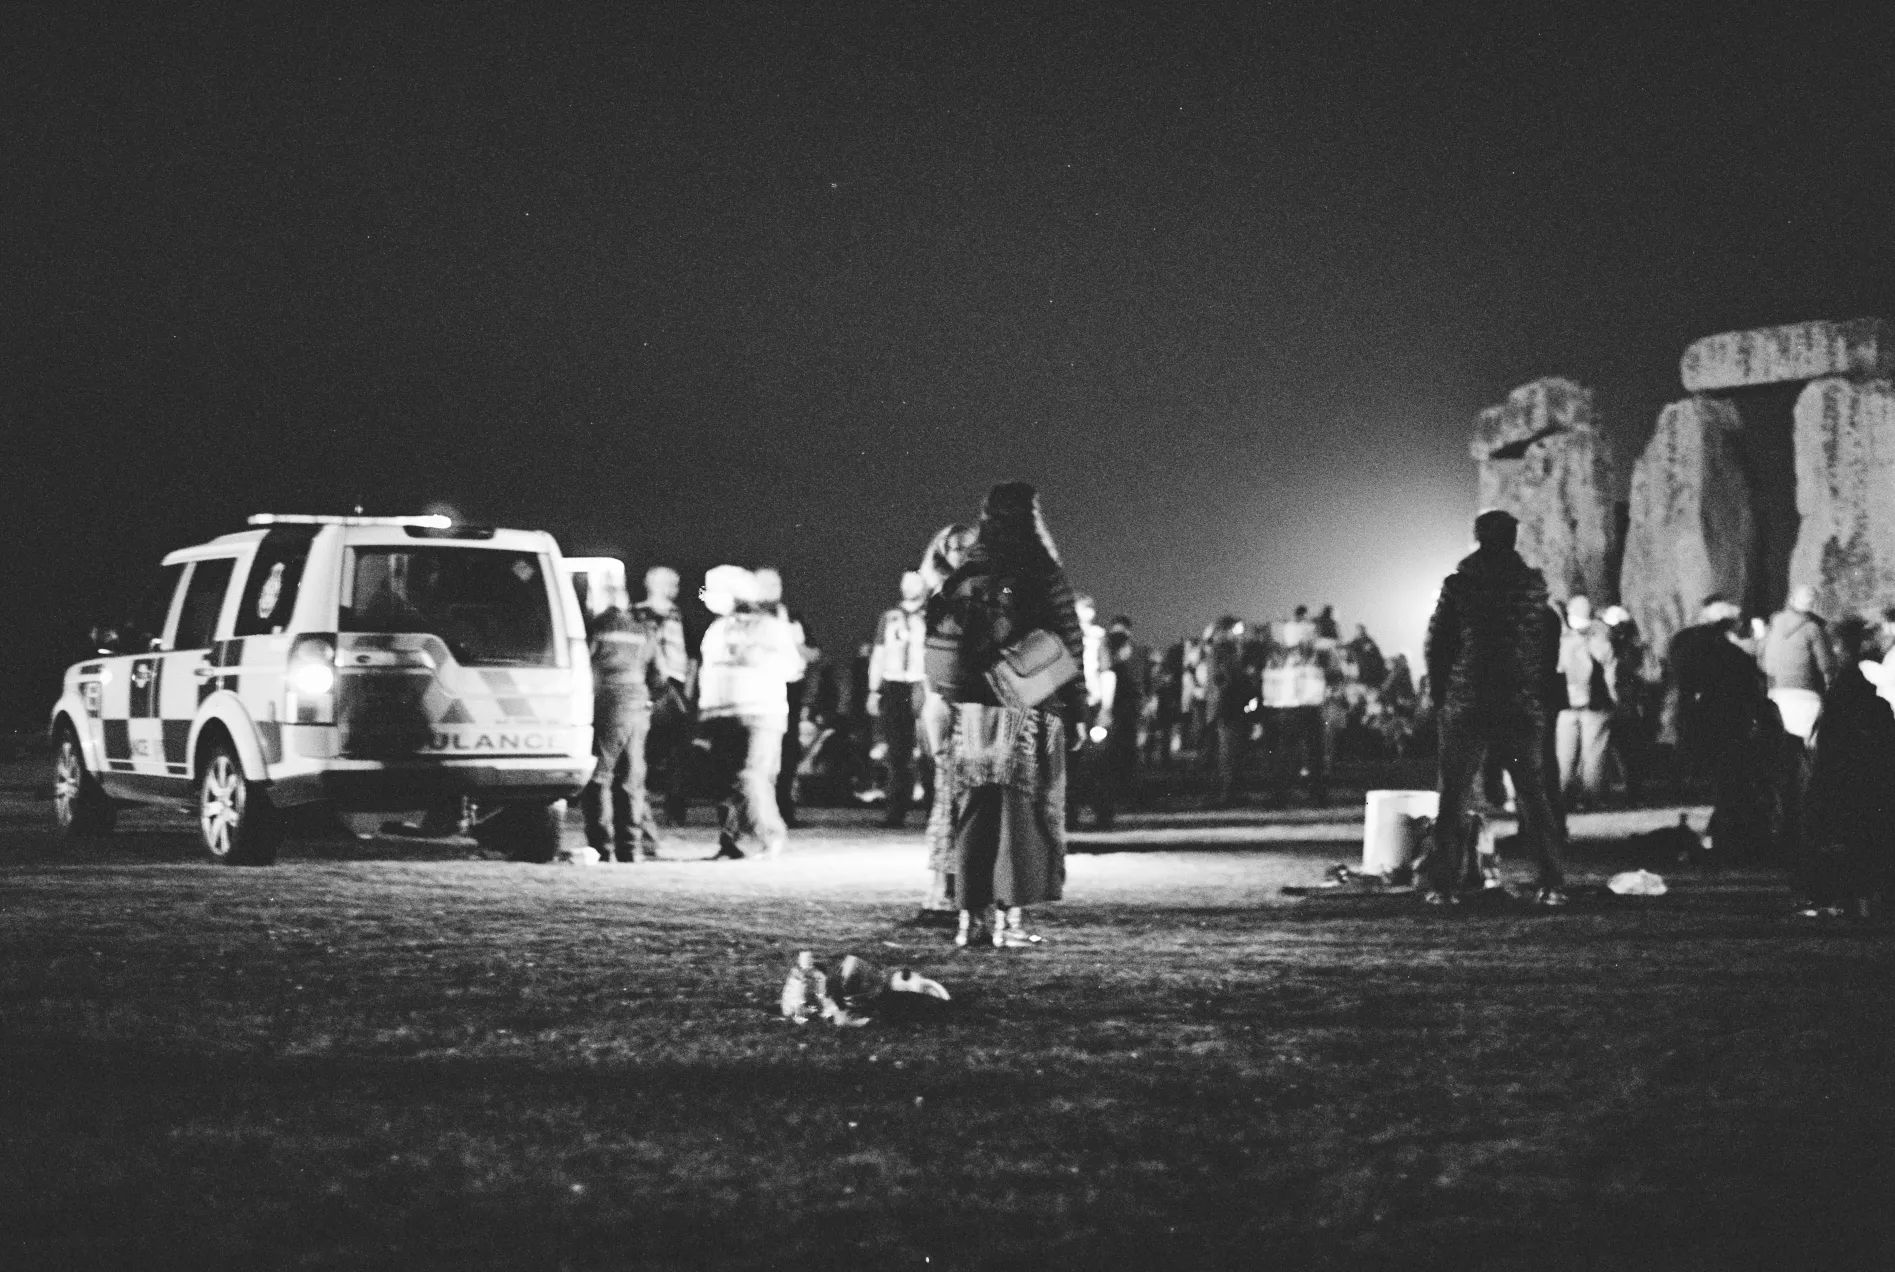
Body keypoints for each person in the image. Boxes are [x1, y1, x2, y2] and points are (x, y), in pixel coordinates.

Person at [928, 481, 1085, 948]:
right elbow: (1067, 642)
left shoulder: (967, 571)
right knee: (1024, 815)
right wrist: (1078, 707)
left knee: (975, 810)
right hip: (1030, 708)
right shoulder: (1042, 570)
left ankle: (968, 921)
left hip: (973, 714)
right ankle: (1009, 923)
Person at [1417, 510, 1568, 906]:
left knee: (1453, 796)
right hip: (1519, 703)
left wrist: (1439, 695)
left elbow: (1438, 645)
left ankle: (1443, 885)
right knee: (1534, 795)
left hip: (1467, 702)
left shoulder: (1459, 587)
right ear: (1514, 540)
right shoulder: (1536, 591)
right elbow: (1549, 649)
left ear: (1478, 538)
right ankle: (1551, 882)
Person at [697, 566, 798, 860]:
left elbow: (792, 668)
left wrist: (760, 658)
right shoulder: (717, 629)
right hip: (720, 715)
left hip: (761, 713)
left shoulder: (770, 626)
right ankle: (732, 842)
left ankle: (770, 837)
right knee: (726, 781)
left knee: (752, 777)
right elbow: (708, 672)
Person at [1668, 596, 1777, 863]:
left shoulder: (1688, 645)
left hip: (1706, 720)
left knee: (1726, 782)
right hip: (1730, 722)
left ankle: (1723, 836)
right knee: (1734, 781)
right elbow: (1751, 688)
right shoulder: (1731, 655)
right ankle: (1731, 839)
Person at [1798, 644, 1895, 918]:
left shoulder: (1832, 718)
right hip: (1876, 791)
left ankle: (1844, 896)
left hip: (1840, 795)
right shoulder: (1877, 709)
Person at [575, 581, 669, 864]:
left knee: (598, 776)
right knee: (632, 779)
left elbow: (582, 666)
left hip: (606, 703)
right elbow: (661, 677)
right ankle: (631, 848)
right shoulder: (644, 631)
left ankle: (602, 847)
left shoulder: (595, 627)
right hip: (638, 706)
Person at [918, 523, 976, 914]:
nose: (958, 553)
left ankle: (966, 887)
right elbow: (933, 663)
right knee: (949, 797)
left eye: (965, 547)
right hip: (951, 701)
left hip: (987, 703)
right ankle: (945, 886)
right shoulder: (940, 600)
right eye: (951, 547)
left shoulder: (995, 592)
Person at [755, 567, 819, 828]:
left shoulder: (791, 617)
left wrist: (791, 643)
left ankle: (784, 810)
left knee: (787, 751)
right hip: (758, 690)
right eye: (766, 584)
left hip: (788, 690)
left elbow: (814, 653)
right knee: (760, 752)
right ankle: (757, 812)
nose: (773, 588)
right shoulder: (744, 617)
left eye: (776, 583)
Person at [868, 570, 930, 828]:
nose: (908, 586)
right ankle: (895, 812)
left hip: (921, 683)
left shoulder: (932, 615)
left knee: (929, 750)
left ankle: (934, 811)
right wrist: (874, 689)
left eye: (914, 582)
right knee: (897, 752)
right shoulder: (890, 617)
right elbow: (879, 653)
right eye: (905, 582)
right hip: (895, 684)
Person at [635, 566, 696, 827]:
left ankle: (674, 810)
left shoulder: (680, 615)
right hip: (648, 687)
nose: (676, 588)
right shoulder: (637, 614)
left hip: (676, 688)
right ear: (653, 584)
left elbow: (693, 655)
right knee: (644, 751)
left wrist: (688, 691)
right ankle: (640, 807)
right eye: (671, 582)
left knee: (677, 755)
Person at [1555, 595, 1618, 810]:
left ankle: (1562, 798)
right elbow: (1612, 673)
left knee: (1564, 754)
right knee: (1594, 752)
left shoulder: (1561, 640)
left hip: (1565, 704)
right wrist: (1615, 698)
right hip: (1596, 704)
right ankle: (1593, 798)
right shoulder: (1600, 638)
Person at [1262, 613, 1330, 807]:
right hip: (1305, 709)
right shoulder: (1311, 657)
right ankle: (1314, 795)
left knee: (1288, 756)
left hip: (1284, 710)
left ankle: (1282, 795)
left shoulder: (1277, 657)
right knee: (1311, 755)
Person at [1760, 584, 1837, 745]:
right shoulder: (1813, 629)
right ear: (1814, 605)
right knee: (1805, 750)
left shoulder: (1774, 625)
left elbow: (1763, 660)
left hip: (1776, 694)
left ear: (1791, 600)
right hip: (1806, 695)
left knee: (1781, 748)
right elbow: (1826, 665)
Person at [1204, 617, 1253, 807]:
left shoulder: (1218, 650)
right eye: (1236, 630)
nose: (1240, 634)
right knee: (1229, 752)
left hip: (1223, 706)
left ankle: (1228, 791)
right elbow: (1226, 679)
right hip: (1228, 707)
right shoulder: (1225, 651)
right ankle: (1228, 793)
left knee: (1229, 751)